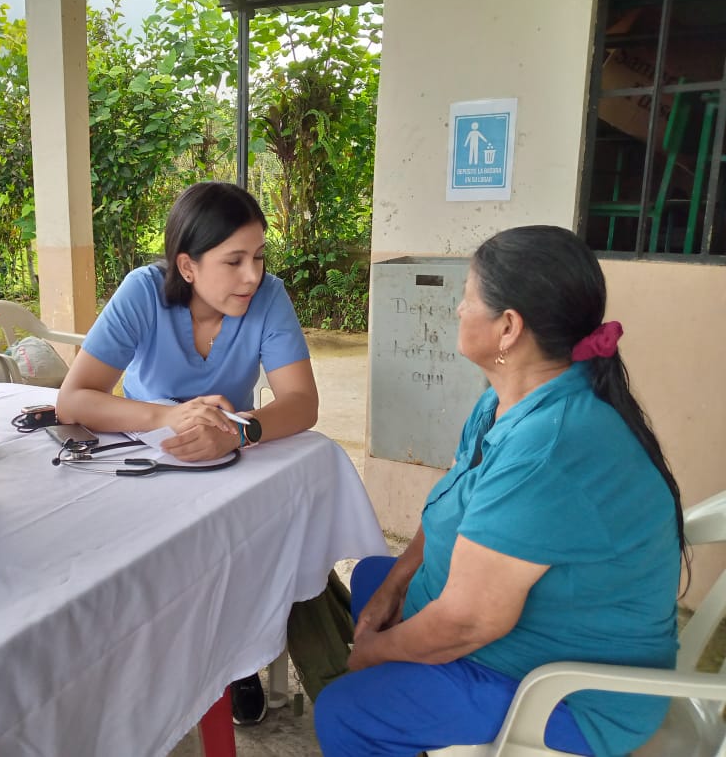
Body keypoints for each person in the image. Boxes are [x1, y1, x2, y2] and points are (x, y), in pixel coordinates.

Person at [314, 226, 686, 757]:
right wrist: (397, 583)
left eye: (467, 298)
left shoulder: (548, 447)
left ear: (508, 327)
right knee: (374, 574)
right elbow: (451, 503)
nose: (458, 310)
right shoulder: (505, 400)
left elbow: (469, 621)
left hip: (568, 694)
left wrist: (372, 654)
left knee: (348, 713)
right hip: (517, 639)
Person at [55, 181, 319, 724]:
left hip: (227, 454)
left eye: (259, 257)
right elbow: (73, 400)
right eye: (234, 261)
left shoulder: (268, 298)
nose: (253, 276)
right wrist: (167, 416)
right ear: (188, 265)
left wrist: (240, 432)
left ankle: (237, 657)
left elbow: (302, 403)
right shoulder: (142, 293)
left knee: (242, 545)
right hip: (143, 453)